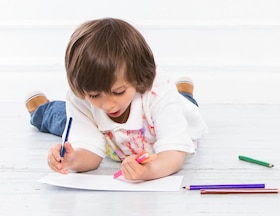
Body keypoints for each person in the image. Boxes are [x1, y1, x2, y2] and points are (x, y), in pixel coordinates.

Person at [25, 18, 208, 181]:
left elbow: (173, 155)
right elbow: (91, 154)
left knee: (184, 104)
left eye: (119, 91)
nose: (107, 105)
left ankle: (184, 92)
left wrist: (148, 172)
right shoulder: (82, 100)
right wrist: (71, 160)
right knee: (62, 120)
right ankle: (43, 109)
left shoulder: (158, 92)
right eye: (94, 95)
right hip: (111, 137)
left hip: (173, 114)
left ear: (139, 77)